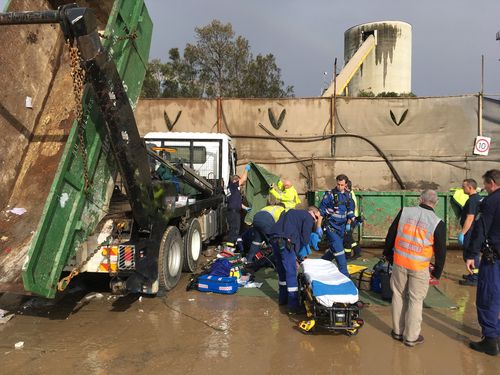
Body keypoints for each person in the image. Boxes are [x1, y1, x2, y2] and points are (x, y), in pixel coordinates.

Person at [384, 189, 447, 347]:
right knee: (415, 300)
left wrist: (387, 255)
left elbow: (391, 234)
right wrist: (437, 272)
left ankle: (398, 331)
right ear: (436, 203)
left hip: (399, 262)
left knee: (398, 295)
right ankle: (411, 337)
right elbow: (441, 251)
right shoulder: (437, 222)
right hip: (419, 267)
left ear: (420, 199)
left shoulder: (405, 212)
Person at [465, 169, 500, 356]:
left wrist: (471, 255)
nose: (484, 188)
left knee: (488, 297)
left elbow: (481, 229)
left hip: (493, 259)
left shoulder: (491, 201)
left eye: (486, 184)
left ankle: (491, 340)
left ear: (492, 183)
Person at [269, 206, 321, 313]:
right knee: (291, 272)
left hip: (274, 238)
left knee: (282, 271)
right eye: (316, 217)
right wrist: (299, 256)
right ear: (312, 212)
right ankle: (293, 306)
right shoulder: (307, 217)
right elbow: (305, 239)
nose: (315, 220)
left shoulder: (292, 213)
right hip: (285, 240)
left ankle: (282, 299)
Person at [319, 174, 355, 276]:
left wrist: (353, 219)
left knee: (333, 251)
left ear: (346, 184)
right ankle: (345, 276)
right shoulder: (329, 195)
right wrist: (318, 227)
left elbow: (350, 211)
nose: (340, 186)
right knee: (339, 251)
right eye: (338, 184)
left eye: (342, 185)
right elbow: (321, 211)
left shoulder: (348, 195)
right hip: (331, 227)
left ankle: (320, 264)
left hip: (342, 228)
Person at [458, 178, 482, 286]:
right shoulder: (478, 198)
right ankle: (473, 274)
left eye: (464, 186)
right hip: (475, 230)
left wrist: (463, 233)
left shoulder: (472, 200)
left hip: (471, 231)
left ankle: (475, 277)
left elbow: (470, 218)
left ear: (470, 187)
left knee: (470, 254)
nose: (462, 188)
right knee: (472, 253)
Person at [225, 166, 249, 250]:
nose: (241, 183)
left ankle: (234, 247)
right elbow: (244, 179)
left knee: (236, 230)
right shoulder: (233, 186)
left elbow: (237, 202)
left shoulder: (234, 190)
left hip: (234, 212)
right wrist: (246, 169)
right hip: (233, 213)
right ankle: (229, 248)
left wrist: (246, 208)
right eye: (238, 181)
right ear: (235, 181)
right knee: (234, 230)